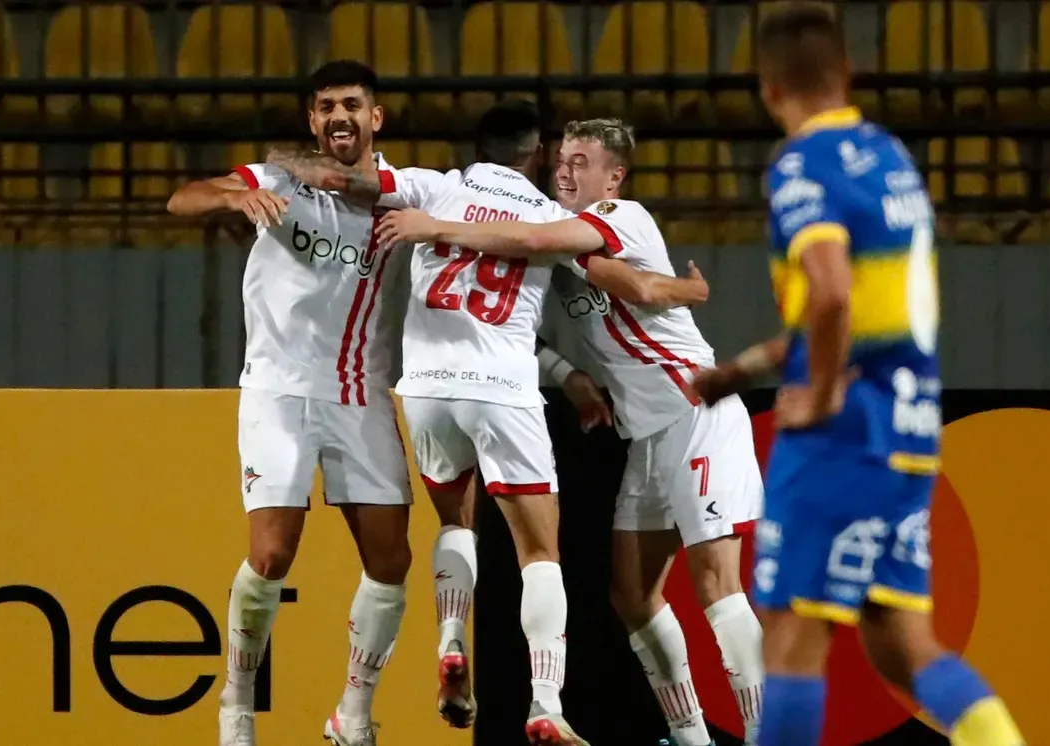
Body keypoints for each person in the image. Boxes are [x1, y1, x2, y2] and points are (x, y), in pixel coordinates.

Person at [268, 101, 707, 746]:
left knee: (455, 521)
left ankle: (451, 641)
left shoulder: (432, 186)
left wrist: (274, 163)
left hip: (424, 390)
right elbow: (625, 281)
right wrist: (686, 291)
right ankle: (547, 702)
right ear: (533, 156)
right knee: (540, 553)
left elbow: (342, 176)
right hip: (502, 391)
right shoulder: (554, 216)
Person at [685, 5, 1025, 745]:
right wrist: (743, 368)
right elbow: (856, 306)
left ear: (769, 90)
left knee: (791, 642)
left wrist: (827, 389)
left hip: (845, 431)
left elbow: (831, 288)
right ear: (849, 76)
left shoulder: (802, 164)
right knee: (902, 647)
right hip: (907, 429)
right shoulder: (891, 156)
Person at [374, 117, 766, 746]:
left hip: (696, 413)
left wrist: (435, 225)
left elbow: (624, 278)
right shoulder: (559, 244)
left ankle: (763, 732)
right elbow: (524, 307)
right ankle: (691, 737)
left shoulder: (619, 213)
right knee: (632, 596)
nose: (565, 170)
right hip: (647, 435)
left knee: (718, 585)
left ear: (614, 176)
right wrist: (574, 375)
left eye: (582, 162)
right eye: (561, 160)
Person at [166, 60, 413, 746]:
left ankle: (353, 715)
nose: (340, 116)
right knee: (272, 555)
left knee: (391, 563)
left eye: (353, 105)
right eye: (327, 106)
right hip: (277, 388)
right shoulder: (274, 179)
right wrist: (232, 198)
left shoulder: (399, 194)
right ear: (313, 119)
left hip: (360, 393)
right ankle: (236, 706)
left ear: (376, 117)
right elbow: (180, 198)